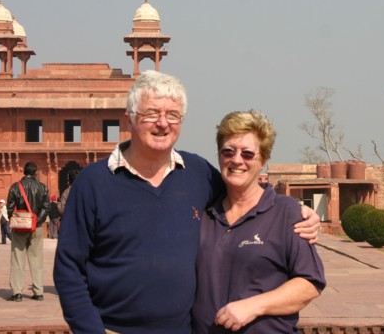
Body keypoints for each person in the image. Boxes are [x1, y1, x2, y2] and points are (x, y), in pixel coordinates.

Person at [54, 70, 320, 334]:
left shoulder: (198, 174)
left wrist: (301, 212)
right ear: (130, 118)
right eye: (151, 113)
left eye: (172, 115)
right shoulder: (94, 183)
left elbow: (246, 190)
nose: (162, 123)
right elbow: (69, 270)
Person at [192, 111, 326, 333]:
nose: (237, 160)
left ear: (262, 160)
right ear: (219, 156)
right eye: (228, 152)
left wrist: (254, 306)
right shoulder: (205, 214)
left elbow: (310, 284)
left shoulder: (285, 213)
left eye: (247, 154)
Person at [6, 161, 50, 302]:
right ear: (36, 172)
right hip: (35, 227)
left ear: (24, 172)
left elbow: (10, 208)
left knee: (18, 259)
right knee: (36, 259)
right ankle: (38, 292)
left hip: (20, 227)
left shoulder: (15, 187)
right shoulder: (42, 187)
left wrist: (15, 220)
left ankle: (17, 293)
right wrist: (37, 222)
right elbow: (46, 207)